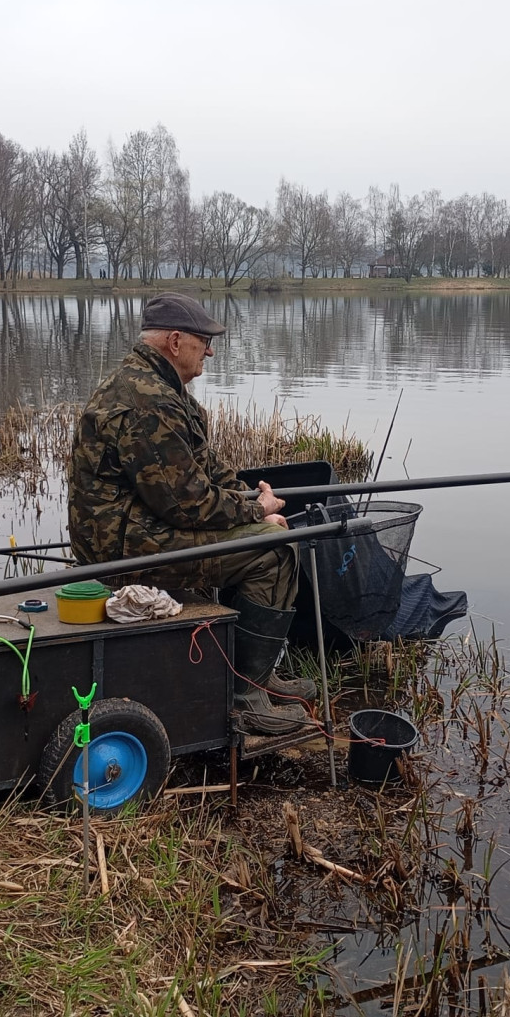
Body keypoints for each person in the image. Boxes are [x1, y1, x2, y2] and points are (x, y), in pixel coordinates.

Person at [68, 292, 313, 734]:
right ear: (176, 341)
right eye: (205, 342)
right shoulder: (146, 401)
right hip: (122, 548)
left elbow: (206, 470)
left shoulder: (162, 389)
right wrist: (256, 510)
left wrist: (252, 505)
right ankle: (245, 697)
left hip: (141, 528)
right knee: (276, 553)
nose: (211, 352)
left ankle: (258, 675)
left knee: (270, 535)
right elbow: (187, 504)